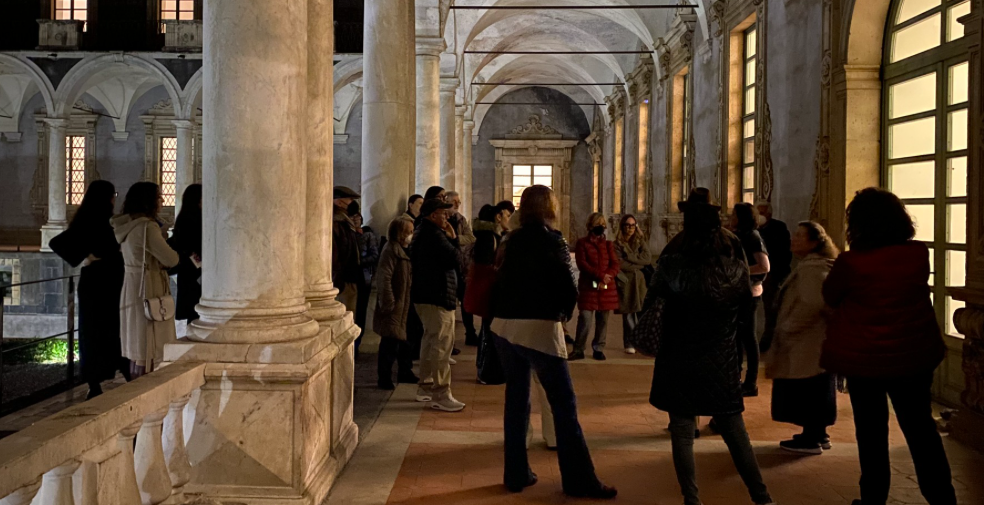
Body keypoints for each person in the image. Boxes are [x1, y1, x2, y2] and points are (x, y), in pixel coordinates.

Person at [820, 188, 956, 505]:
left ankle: (873, 500)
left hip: (865, 360)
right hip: (913, 356)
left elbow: (830, 297)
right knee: (922, 432)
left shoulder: (850, 263)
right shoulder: (917, 255)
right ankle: (943, 499)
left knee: (871, 436)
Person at [646, 188, 774, 505]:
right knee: (735, 431)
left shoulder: (672, 265)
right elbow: (745, 314)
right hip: (721, 356)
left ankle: (691, 499)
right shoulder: (735, 269)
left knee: (682, 431)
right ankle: (762, 497)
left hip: (679, 355)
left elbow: (651, 306)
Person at [490, 185, 616, 499]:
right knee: (564, 405)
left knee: (516, 403)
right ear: (550, 207)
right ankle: (579, 480)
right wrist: (561, 315)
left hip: (505, 326)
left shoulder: (510, 239)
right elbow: (568, 285)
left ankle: (516, 474)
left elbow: (499, 279)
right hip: (539, 326)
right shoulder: (553, 239)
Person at [765, 221, 839, 455]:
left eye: (799, 236)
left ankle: (812, 438)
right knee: (815, 386)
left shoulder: (812, 269)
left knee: (808, 388)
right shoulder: (812, 265)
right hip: (813, 340)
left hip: (807, 340)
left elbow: (812, 304)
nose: (793, 240)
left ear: (814, 242)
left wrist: (788, 328)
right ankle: (817, 433)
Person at [51, 180, 128, 398]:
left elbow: (59, 243)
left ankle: (94, 381)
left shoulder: (85, 219)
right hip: (109, 279)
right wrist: (87, 257)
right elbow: (57, 243)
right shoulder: (108, 221)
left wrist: (85, 257)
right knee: (112, 328)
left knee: (92, 330)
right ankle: (115, 370)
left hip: (94, 280)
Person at [112, 182, 180, 379]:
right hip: (148, 285)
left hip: (132, 285)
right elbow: (171, 259)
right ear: (149, 201)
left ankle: (135, 381)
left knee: (137, 343)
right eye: (159, 197)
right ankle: (147, 386)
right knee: (150, 341)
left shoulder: (126, 225)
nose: (162, 201)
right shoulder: (147, 228)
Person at [410, 198, 465, 412]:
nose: (448, 216)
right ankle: (440, 393)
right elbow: (455, 259)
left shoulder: (425, 232)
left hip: (429, 295)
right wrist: (454, 238)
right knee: (441, 345)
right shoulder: (433, 235)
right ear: (433, 215)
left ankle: (425, 387)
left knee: (431, 341)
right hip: (437, 295)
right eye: (444, 213)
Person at [729, 203, 770, 397]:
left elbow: (764, 266)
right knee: (737, 336)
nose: (731, 216)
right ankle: (735, 377)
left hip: (750, 293)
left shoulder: (753, 236)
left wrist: (738, 270)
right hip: (740, 292)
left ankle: (751, 381)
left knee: (748, 338)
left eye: (734, 214)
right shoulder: (741, 234)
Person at [374, 218, 419, 389]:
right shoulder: (391, 251)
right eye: (409, 231)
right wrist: (389, 302)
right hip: (395, 305)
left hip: (405, 303)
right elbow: (384, 278)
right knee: (389, 343)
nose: (411, 235)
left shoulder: (404, 250)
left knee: (406, 341)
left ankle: (404, 371)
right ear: (400, 233)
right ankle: (384, 378)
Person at [571, 212, 620, 361]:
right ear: (590, 226)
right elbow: (582, 263)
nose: (601, 227)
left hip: (606, 288)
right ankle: (578, 349)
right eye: (598, 224)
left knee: (603, 320)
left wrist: (607, 277)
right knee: (585, 318)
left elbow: (615, 263)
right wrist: (599, 275)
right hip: (589, 286)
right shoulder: (582, 243)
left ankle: (599, 348)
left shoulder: (608, 245)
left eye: (603, 224)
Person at [756, 201, 791, 353]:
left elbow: (783, 253)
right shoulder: (755, 230)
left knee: (773, 308)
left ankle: (769, 338)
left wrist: (774, 273)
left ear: (769, 214)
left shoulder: (779, 228)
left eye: (763, 213)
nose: (761, 216)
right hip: (760, 274)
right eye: (759, 213)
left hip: (775, 274)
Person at [614, 214, 651, 355]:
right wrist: (637, 264)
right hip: (626, 282)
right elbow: (620, 264)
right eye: (627, 225)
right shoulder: (616, 244)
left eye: (633, 225)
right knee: (628, 314)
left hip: (640, 283)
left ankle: (641, 342)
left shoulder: (640, 241)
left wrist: (629, 257)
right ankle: (629, 342)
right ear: (622, 226)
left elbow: (647, 259)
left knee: (642, 313)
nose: (630, 228)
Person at [465, 204, 501, 344]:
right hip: (486, 280)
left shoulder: (481, 234)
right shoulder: (488, 236)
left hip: (481, 279)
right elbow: (485, 261)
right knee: (488, 317)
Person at [446, 191, 478, 346]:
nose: (458, 204)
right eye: (454, 201)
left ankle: (470, 333)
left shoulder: (460, 219)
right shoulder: (442, 219)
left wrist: (455, 239)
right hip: (448, 266)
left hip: (461, 266)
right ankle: (449, 341)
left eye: (458, 201)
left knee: (465, 303)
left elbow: (471, 238)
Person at [169, 184, 202, 324]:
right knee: (196, 308)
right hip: (194, 270)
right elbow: (192, 245)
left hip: (188, 270)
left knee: (193, 310)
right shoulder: (194, 218)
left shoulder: (183, 217)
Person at [352, 209, 379, 352]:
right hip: (350, 279)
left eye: (358, 217)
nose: (356, 219)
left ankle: (357, 345)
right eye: (353, 217)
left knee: (361, 312)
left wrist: (358, 262)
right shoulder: (349, 235)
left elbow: (374, 255)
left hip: (363, 278)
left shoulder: (367, 236)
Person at [332, 186, 362, 315]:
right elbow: (336, 253)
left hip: (349, 276)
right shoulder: (337, 222)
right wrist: (338, 279)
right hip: (343, 279)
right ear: (339, 202)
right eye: (349, 200)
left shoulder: (345, 221)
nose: (352, 204)